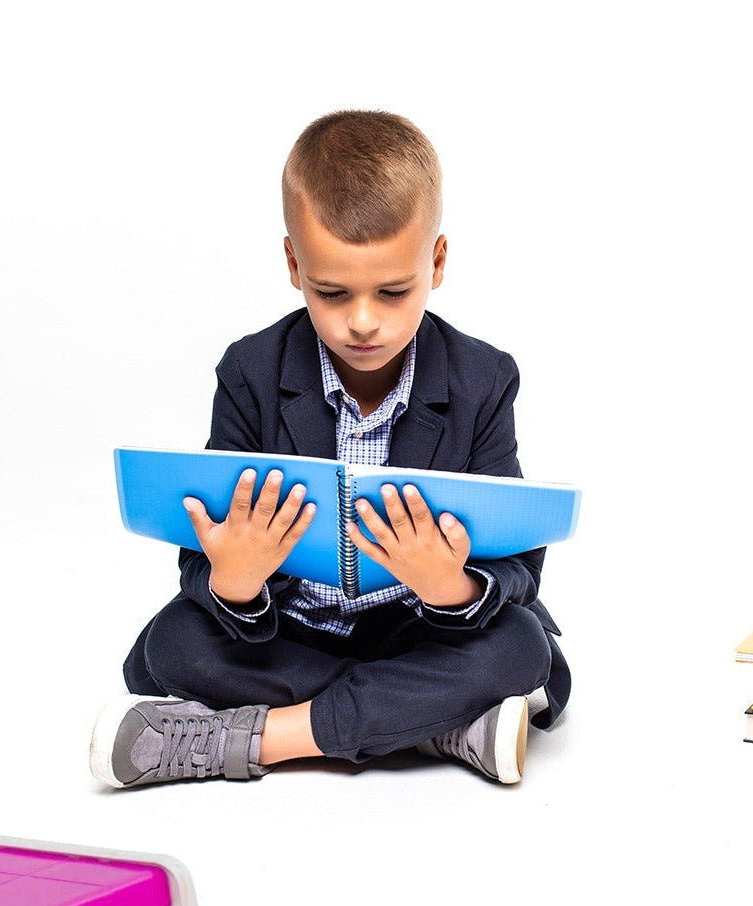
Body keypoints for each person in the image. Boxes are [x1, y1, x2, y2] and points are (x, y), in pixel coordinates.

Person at [90, 109, 569, 790]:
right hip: (291, 633)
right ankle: (440, 725)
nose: (364, 320)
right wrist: (236, 579)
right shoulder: (251, 373)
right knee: (173, 646)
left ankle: (250, 740)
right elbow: (201, 559)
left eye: (394, 291)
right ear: (294, 264)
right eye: (332, 292)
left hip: (420, 631)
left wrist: (450, 587)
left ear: (436, 261)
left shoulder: (482, 379)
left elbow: (518, 564)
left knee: (519, 647)